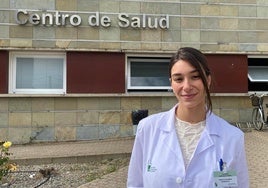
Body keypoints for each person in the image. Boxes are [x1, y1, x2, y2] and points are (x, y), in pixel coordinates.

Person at [127, 47, 249, 188]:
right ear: (171, 83)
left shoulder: (232, 137)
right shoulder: (148, 129)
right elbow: (135, 184)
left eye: (195, 77)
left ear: (207, 80)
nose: (186, 86)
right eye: (178, 79)